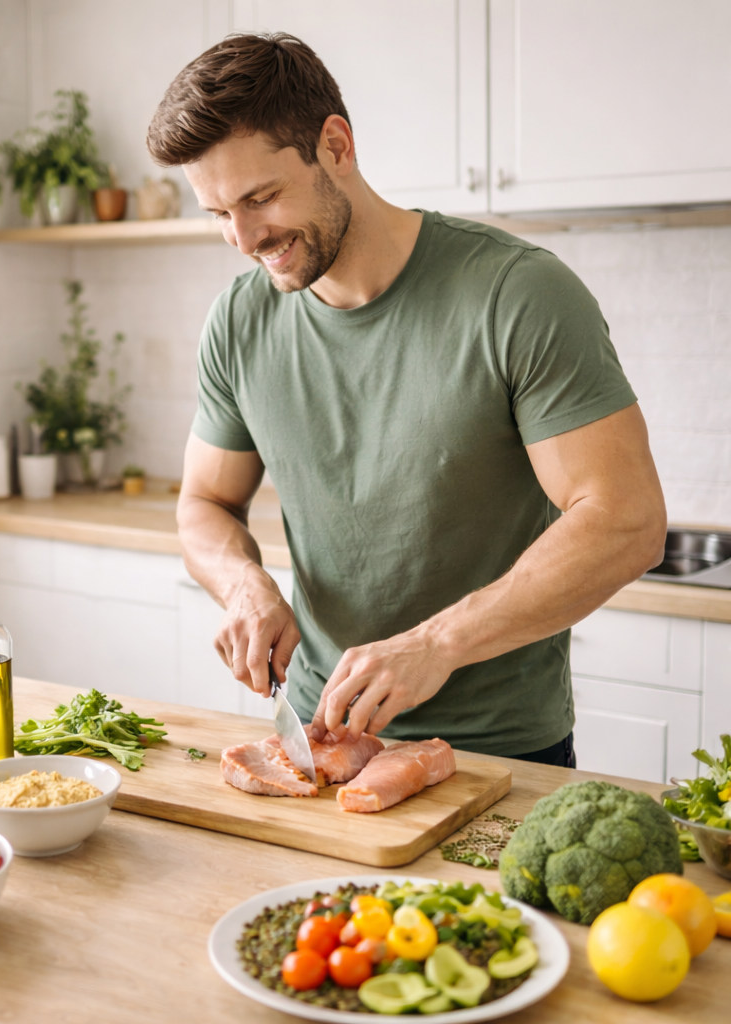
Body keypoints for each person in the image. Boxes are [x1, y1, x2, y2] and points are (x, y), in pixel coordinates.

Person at [145, 32, 667, 766]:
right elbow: (203, 503)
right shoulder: (240, 320)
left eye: (260, 197)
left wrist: (437, 644)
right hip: (318, 737)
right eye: (218, 213)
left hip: (498, 755)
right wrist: (243, 587)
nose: (243, 237)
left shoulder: (516, 294)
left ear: (335, 145)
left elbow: (628, 521)